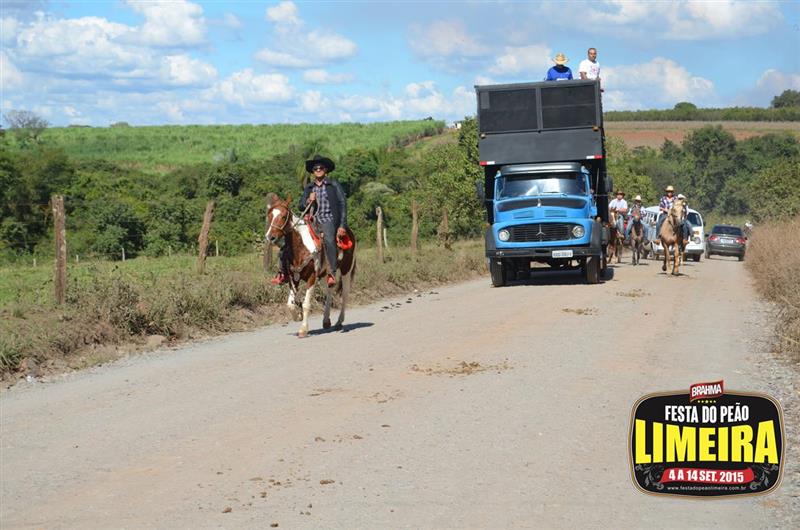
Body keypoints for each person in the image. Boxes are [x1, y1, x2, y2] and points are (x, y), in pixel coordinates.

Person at [299, 155, 349, 287]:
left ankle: (331, 272)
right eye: (315, 168)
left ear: (325, 170)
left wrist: (342, 225)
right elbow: (300, 206)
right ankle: (285, 272)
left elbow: (342, 203)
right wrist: (308, 201)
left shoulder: (333, 185)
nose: (318, 170)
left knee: (329, 240)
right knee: (292, 236)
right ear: (313, 171)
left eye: (321, 168)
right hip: (312, 220)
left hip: (328, 219)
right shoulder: (309, 188)